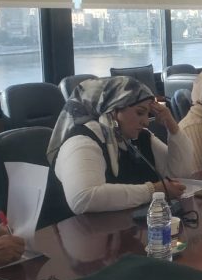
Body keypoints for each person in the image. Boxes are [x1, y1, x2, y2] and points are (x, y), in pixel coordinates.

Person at [48, 76, 194, 214]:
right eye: (140, 113)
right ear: (113, 110)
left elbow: (180, 176)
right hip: (87, 230)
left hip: (133, 226)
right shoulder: (81, 141)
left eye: (148, 114)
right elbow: (83, 199)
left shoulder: (141, 137)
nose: (146, 122)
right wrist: (153, 190)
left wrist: (172, 127)